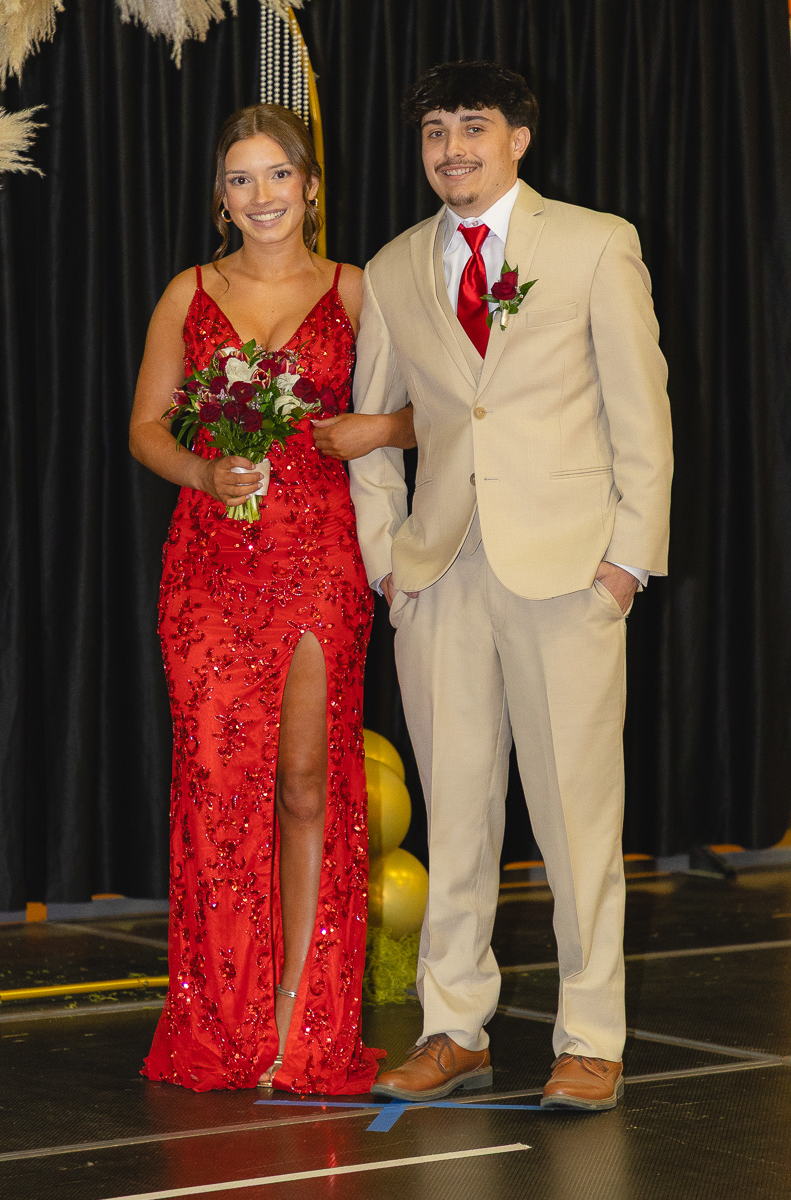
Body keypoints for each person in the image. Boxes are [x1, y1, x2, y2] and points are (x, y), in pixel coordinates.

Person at [349, 61, 673, 1111]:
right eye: (435, 131)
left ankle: (589, 1038)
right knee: (455, 810)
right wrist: (385, 564)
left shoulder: (592, 242)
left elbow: (641, 411)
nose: (451, 148)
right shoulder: (394, 267)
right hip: (437, 573)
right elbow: (371, 433)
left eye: (472, 128)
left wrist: (628, 557)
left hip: (567, 570)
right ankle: (454, 1026)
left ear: (518, 138)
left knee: (577, 814)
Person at [129, 103, 412, 1093]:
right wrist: (207, 476)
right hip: (207, 568)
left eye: (276, 177)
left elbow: (439, 406)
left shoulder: (359, 290)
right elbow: (146, 431)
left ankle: (301, 1021)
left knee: (303, 788)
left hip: (319, 562)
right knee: (217, 791)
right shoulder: (188, 293)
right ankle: (223, 1019)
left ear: (310, 185)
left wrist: (375, 431)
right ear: (220, 196)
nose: (260, 198)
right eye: (240, 180)